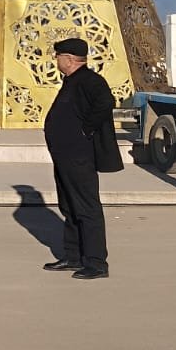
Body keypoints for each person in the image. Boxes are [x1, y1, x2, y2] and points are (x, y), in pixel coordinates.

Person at [42, 37, 116, 279]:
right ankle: (73, 256)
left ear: (69, 59)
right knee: (69, 206)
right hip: (65, 156)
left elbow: (106, 102)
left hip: (79, 156)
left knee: (86, 207)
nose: (56, 61)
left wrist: (86, 129)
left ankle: (96, 263)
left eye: (58, 57)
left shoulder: (89, 80)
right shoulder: (71, 81)